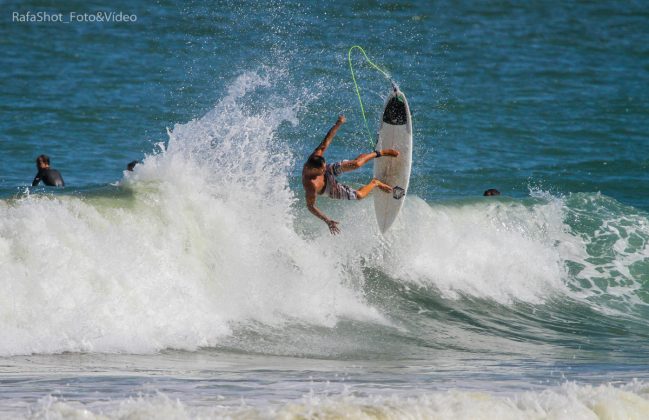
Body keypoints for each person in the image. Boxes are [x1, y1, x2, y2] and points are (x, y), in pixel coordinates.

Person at [302, 115, 399, 235]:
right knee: (359, 195)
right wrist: (327, 221)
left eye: (323, 166)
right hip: (329, 189)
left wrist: (338, 123)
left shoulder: (317, 158)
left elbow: (326, 141)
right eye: (321, 170)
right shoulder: (311, 185)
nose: (323, 170)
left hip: (329, 172)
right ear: (313, 169)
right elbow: (310, 206)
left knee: (357, 164)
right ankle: (375, 182)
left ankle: (379, 153)